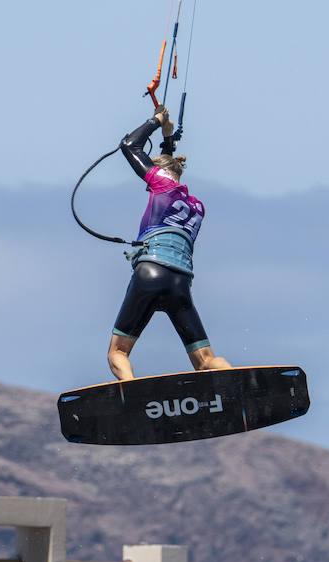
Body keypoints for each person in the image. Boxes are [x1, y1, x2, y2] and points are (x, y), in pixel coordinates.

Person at [108, 104, 233, 382]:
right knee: (206, 361)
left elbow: (129, 146)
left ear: (158, 173)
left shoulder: (160, 184)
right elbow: (169, 169)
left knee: (118, 352)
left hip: (151, 272)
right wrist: (167, 139)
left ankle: (132, 390)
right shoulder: (198, 206)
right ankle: (236, 379)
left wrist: (156, 120)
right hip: (180, 282)